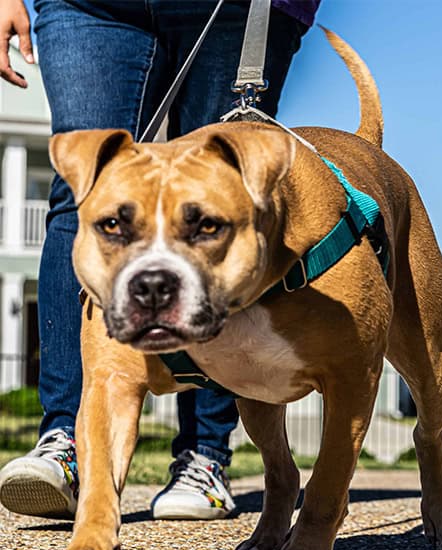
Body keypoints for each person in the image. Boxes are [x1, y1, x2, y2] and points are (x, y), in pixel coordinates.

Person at [0, 0, 320, 521]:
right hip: (86, 5)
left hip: (237, 5)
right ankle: (69, 441)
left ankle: (205, 455)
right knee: (83, 195)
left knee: (224, 200)